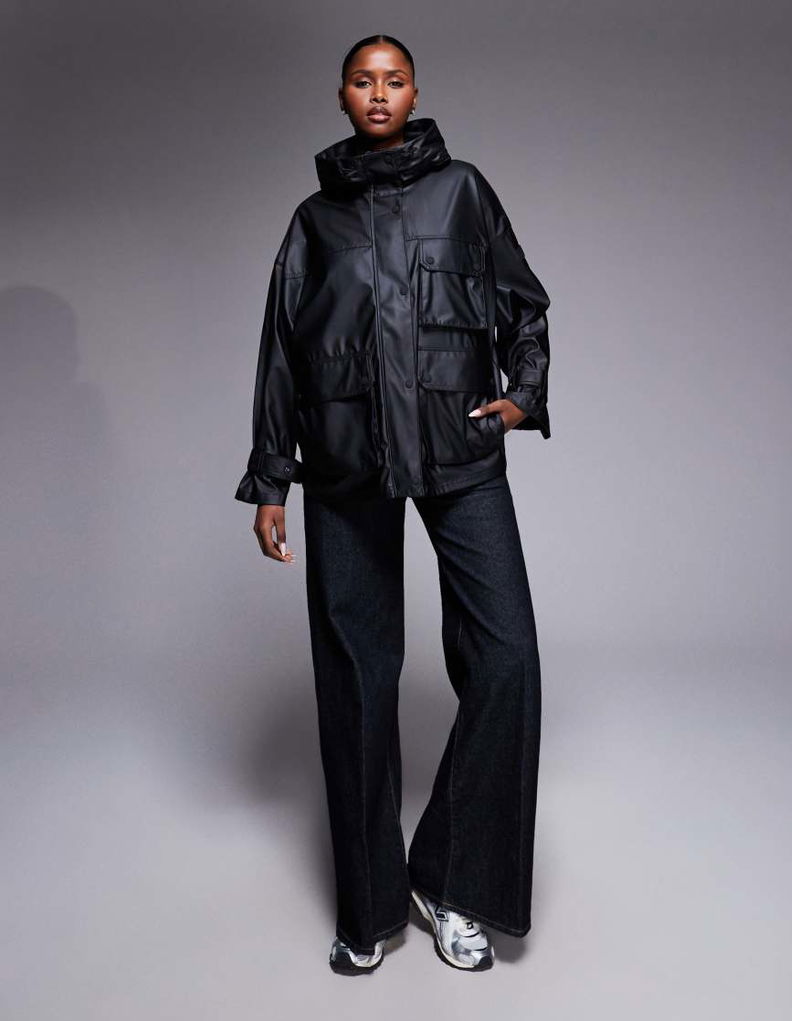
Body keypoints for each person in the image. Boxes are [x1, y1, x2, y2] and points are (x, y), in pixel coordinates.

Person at [234, 33, 552, 973]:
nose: (379, 94)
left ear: (415, 92)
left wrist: (523, 394)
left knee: (508, 659)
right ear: (342, 97)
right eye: (363, 81)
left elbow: (523, 303)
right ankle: (370, 906)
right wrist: (271, 479)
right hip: (343, 466)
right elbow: (281, 354)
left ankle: (451, 878)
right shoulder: (313, 223)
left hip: (460, 453)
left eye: (395, 80)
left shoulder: (463, 193)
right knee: (356, 681)